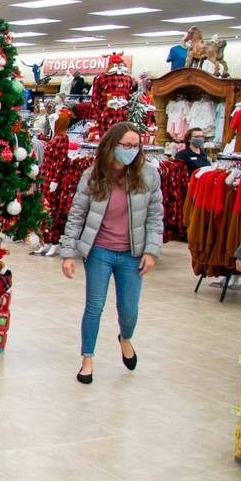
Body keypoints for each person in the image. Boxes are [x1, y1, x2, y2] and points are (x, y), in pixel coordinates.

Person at [60, 122, 163, 384]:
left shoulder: (148, 175)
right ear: (111, 145)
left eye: (136, 146)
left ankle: (125, 337)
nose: (132, 150)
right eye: (126, 145)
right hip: (100, 251)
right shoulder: (93, 176)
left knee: (129, 310)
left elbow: (154, 217)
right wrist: (69, 253)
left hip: (132, 254)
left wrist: (151, 251)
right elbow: (77, 215)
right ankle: (87, 360)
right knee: (94, 306)